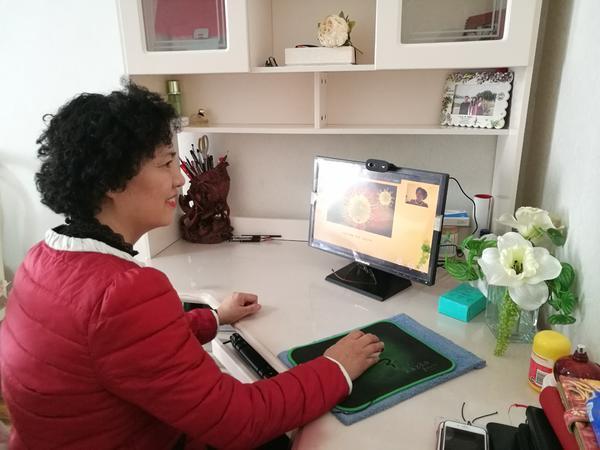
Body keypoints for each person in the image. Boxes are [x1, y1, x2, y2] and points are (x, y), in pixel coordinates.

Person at [0, 83, 384, 449]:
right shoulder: (123, 292)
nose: (180, 179)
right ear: (112, 182)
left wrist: (214, 318)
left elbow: (123, 347)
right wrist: (335, 367)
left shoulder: (41, 258)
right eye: (166, 162)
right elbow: (240, 420)